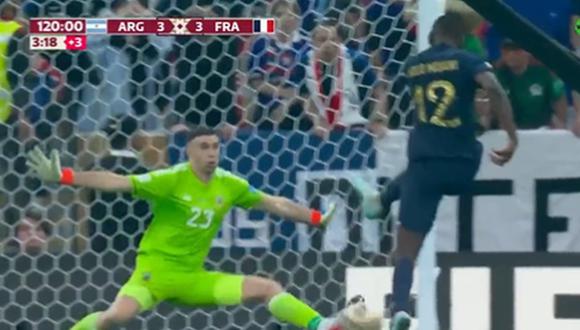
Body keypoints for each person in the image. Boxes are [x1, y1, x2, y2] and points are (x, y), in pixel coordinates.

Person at [27, 126, 339, 330]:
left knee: (268, 288)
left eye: (216, 146)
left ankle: (323, 326)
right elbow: (116, 182)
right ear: (190, 152)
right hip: (154, 276)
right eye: (204, 147)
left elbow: (275, 203)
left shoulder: (229, 184)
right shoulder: (171, 179)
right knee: (116, 317)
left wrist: (315, 218)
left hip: (192, 278)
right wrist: (65, 176)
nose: (212, 153)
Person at [352, 13, 518, 330]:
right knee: (460, 147)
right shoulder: (468, 60)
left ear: (433, 36)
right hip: (462, 165)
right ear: (458, 37)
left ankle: (400, 306)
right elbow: (493, 89)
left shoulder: (414, 66)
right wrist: (511, 136)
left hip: (425, 166)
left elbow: (398, 94)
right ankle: (381, 200)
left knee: (406, 249)